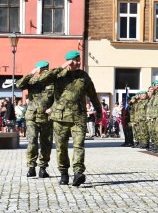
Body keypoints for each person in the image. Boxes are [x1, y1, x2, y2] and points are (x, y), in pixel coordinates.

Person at [29, 50, 101, 187]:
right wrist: (62, 66)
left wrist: (99, 112)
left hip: (78, 117)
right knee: (61, 147)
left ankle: (78, 173)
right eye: (75, 60)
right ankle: (63, 173)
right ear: (69, 61)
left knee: (79, 145)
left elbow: (92, 94)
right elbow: (42, 78)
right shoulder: (58, 74)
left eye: (79, 60)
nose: (78, 62)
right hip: (60, 118)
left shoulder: (83, 76)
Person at [16, 61, 55, 177]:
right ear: (38, 70)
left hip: (47, 118)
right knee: (32, 142)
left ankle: (43, 168)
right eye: (42, 69)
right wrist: (31, 73)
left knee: (46, 144)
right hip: (32, 117)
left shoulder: (53, 82)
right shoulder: (32, 81)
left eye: (45, 69)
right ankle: (31, 167)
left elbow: (59, 98)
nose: (44, 71)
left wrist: (52, 108)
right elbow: (18, 85)